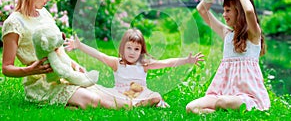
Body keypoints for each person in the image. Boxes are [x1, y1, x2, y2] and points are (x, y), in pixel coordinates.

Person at [1, 0, 131, 109]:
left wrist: (75, 65)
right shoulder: (14, 23)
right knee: (92, 99)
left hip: (64, 73)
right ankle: (133, 104)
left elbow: (57, 49)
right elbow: (6, 68)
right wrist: (31, 70)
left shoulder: (44, 14)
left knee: (99, 92)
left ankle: (139, 101)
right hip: (41, 86)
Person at [186, 0, 270, 113]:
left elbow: (249, 11)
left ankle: (229, 108)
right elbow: (201, 9)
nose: (224, 15)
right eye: (224, 10)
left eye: (228, 10)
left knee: (223, 102)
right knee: (191, 108)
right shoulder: (226, 33)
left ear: (239, 11)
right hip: (222, 92)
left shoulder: (253, 35)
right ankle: (220, 111)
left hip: (247, 96)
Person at [65, 28, 205, 107]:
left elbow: (167, 62)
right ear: (122, 48)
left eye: (136, 49)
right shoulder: (117, 63)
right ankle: (129, 105)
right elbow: (98, 55)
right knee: (93, 90)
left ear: (141, 50)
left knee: (156, 96)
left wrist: (186, 60)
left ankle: (137, 104)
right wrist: (80, 46)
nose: (132, 52)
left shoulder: (144, 64)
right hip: (120, 94)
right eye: (129, 48)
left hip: (140, 94)